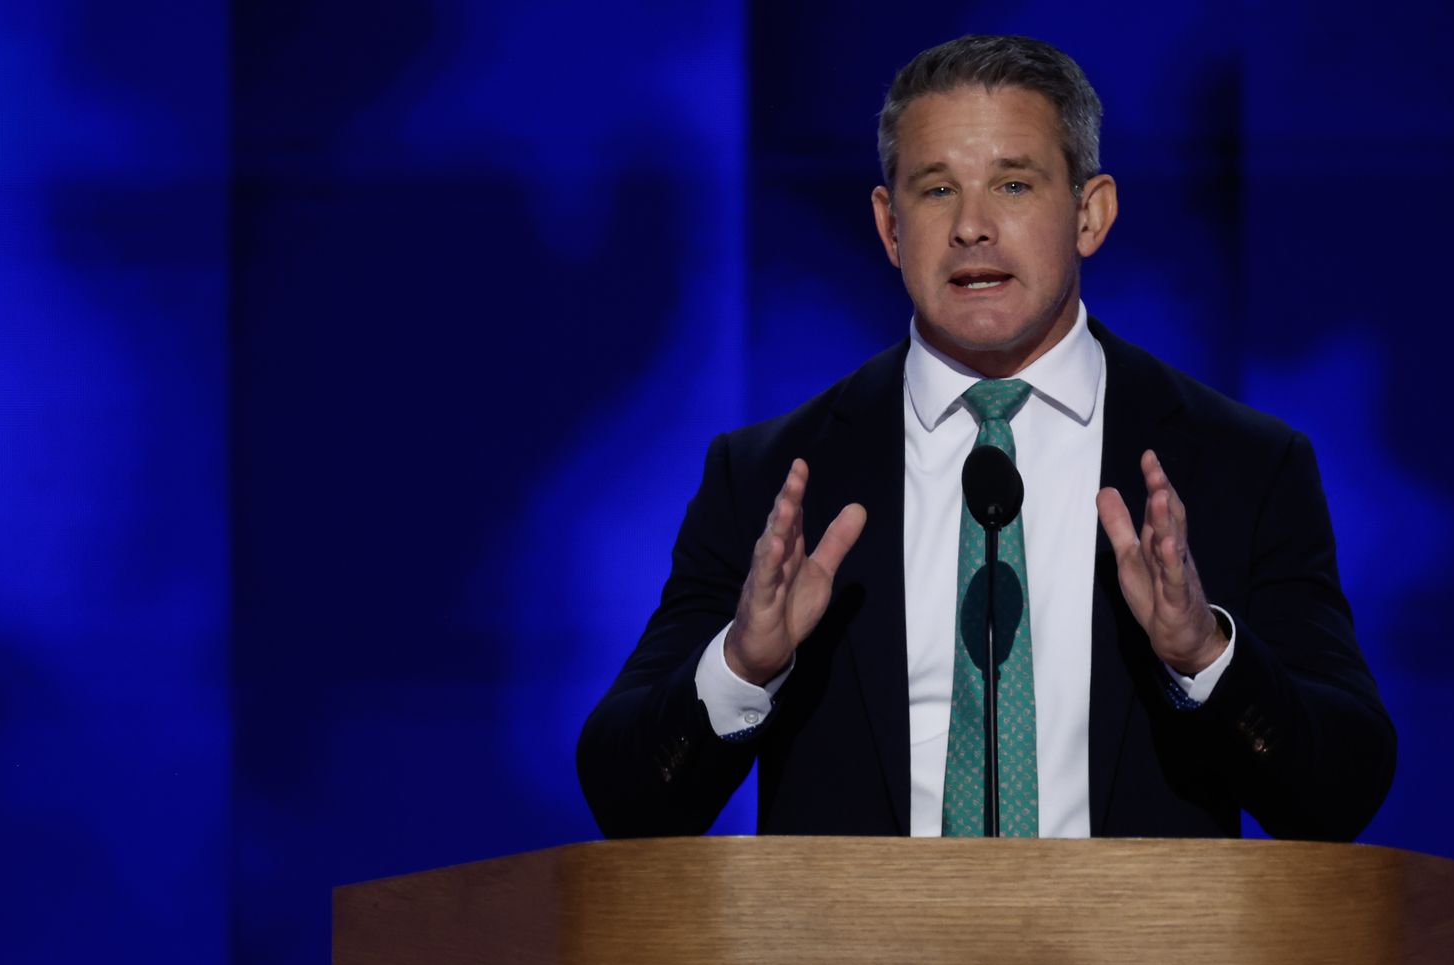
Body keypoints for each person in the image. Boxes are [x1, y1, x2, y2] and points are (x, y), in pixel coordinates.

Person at [577, 34, 1393, 840]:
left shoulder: (1243, 467)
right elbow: (626, 798)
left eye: (1012, 184)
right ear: (890, 226)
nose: (972, 227)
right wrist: (742, 668)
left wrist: (1205, 655)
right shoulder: (769, 481)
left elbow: (1340, 791)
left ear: (1090, 213)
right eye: (935, 191)